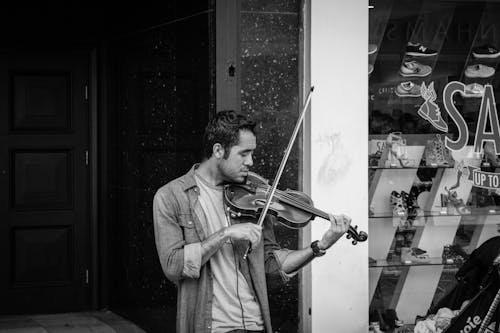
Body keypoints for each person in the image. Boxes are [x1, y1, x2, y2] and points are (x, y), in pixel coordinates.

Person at [153, 110, 352, 333]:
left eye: (252, 153)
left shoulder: (253, 197)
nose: (251, 161)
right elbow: (173, 266)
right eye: (244, 153)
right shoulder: (171, 196)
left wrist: (319, 246)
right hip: (212, 327)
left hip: (256, 324)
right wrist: (226, 234)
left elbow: (270, 267)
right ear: (218, 150)